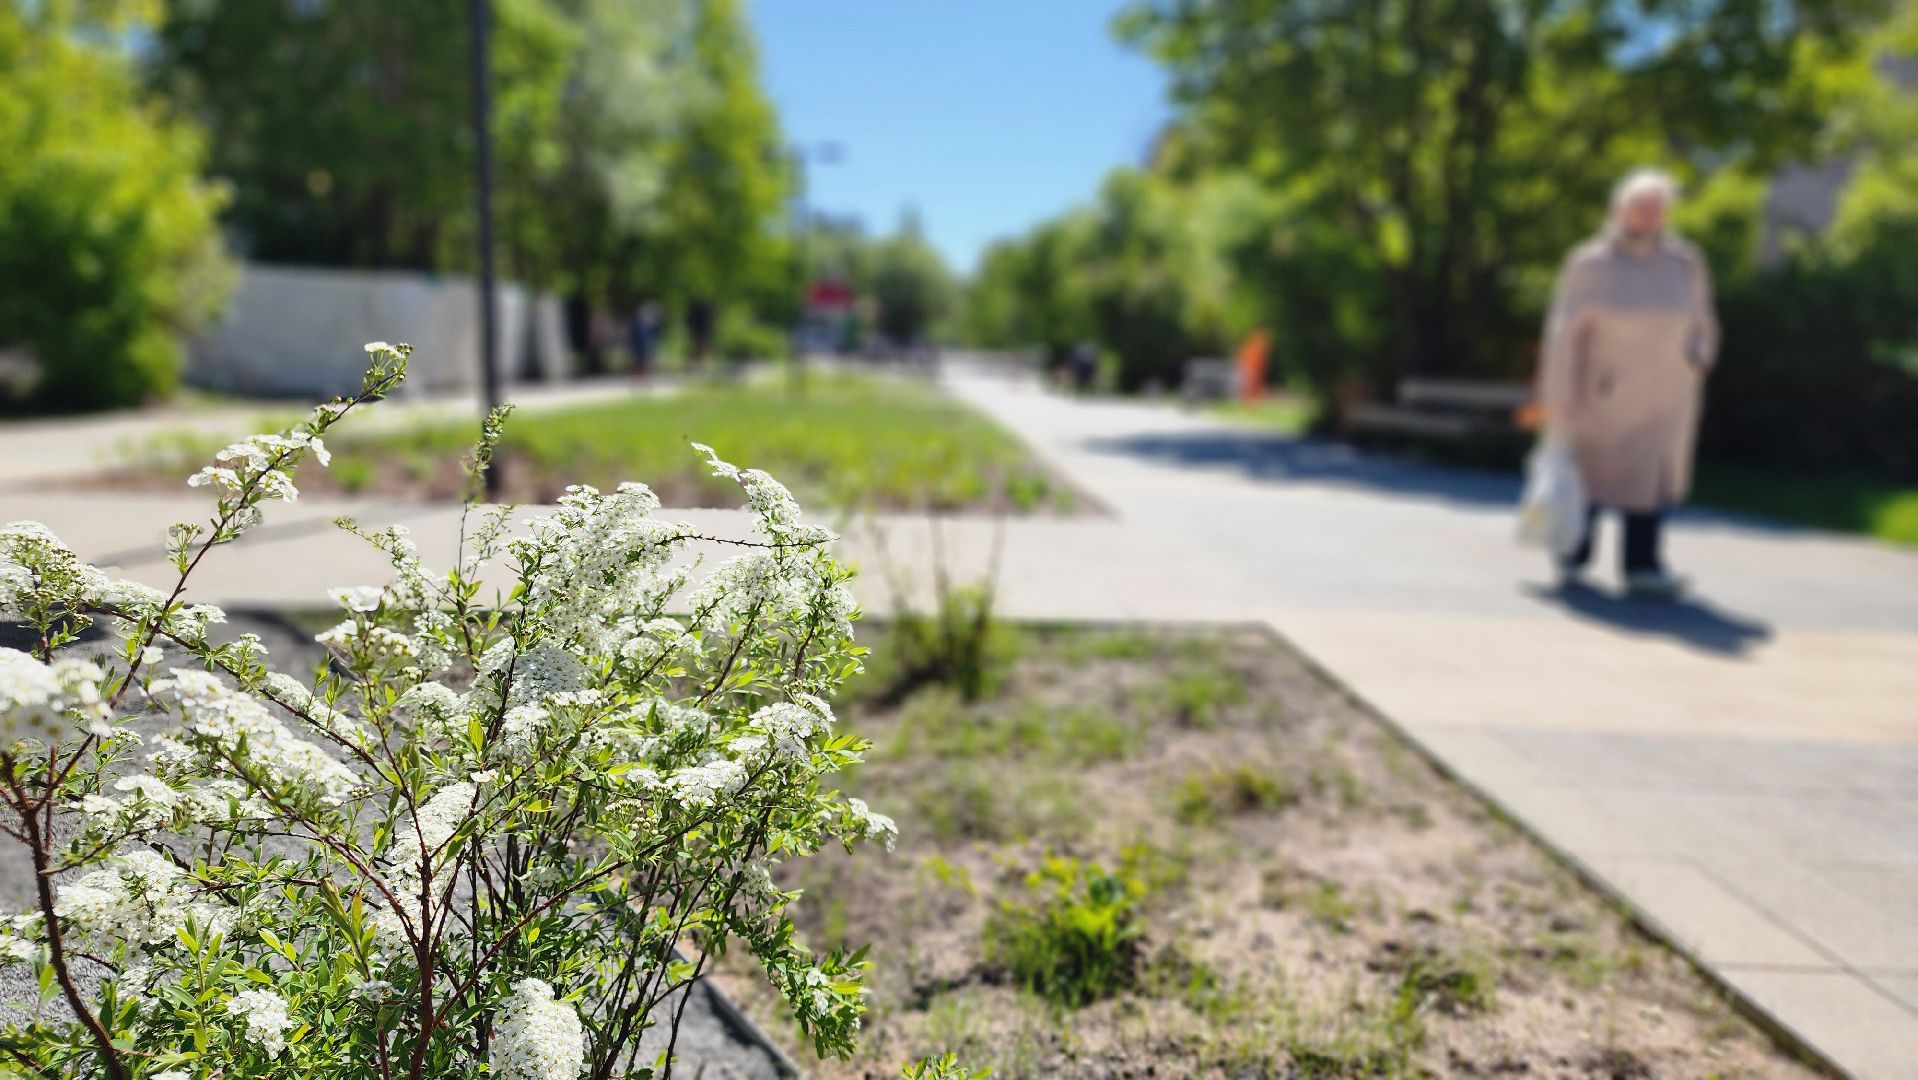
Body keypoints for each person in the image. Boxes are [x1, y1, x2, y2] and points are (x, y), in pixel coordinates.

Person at [1538, 168, 1719, 597]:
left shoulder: (1685, 263)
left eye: (1658, 208)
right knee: (1591, 477)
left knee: (1652, 482)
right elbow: (1563, 334)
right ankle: (1573, 553)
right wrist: (1558, 394)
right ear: (1620, 210)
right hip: (1600, 395)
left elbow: (1703, 321)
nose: (1649, 216)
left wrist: (1698, 356)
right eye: (1641, 207)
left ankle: (1643, 564)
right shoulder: (1590, 263)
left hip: (1666, 395)